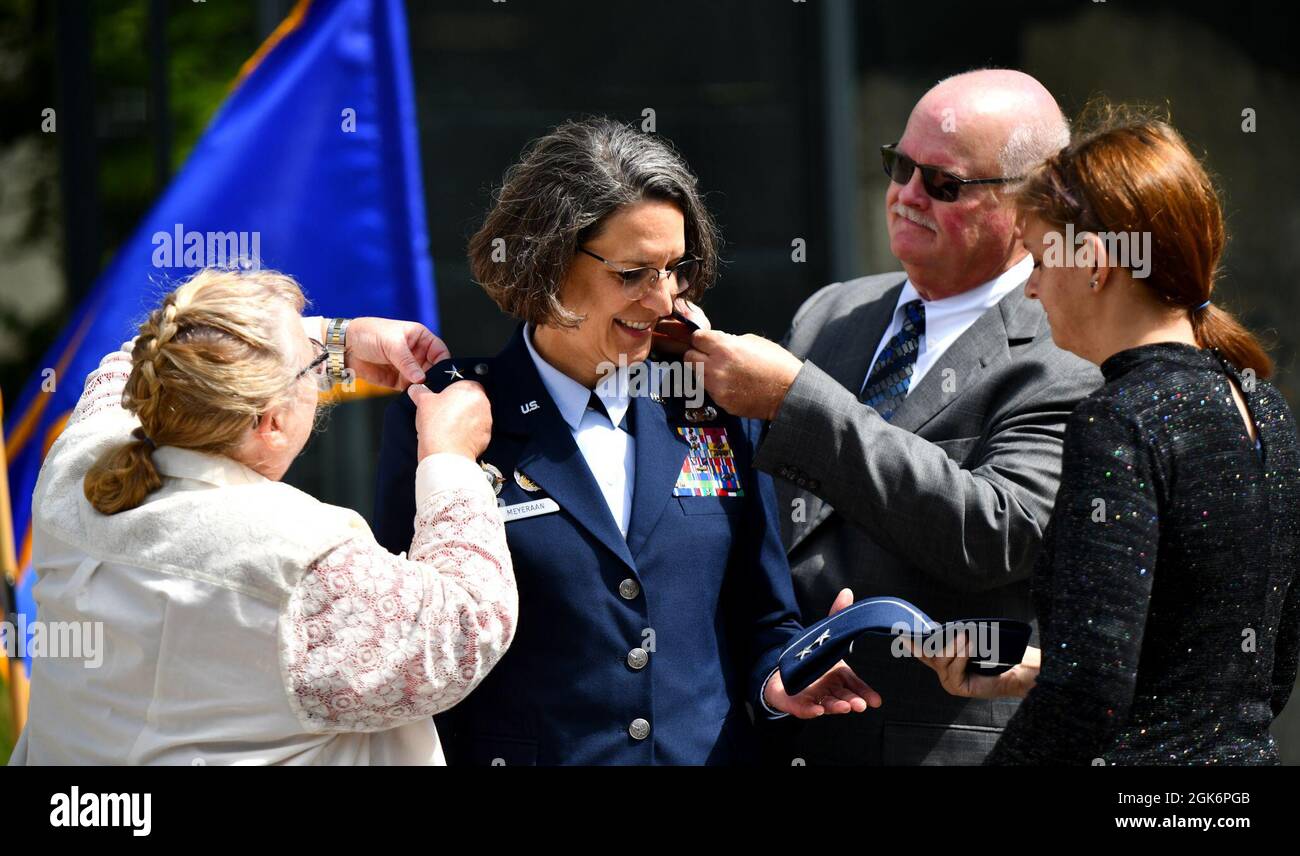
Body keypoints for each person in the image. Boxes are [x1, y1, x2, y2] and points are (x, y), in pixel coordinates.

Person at [373, 118, 874, 765]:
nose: (663, 298)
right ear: (547, 259)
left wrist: (784, 681)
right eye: (634, 273)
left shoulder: (711, 402)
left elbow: (761, 617)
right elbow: (409, 641)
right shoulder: (450, 412)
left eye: (677, 268)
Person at [680, 69, 1102, 765]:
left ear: (1033, 200)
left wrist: (795, 400)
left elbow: (995, 531)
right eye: (898, 165)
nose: (905, 195)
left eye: (942, 183)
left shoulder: (1063, 345)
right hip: (784, 727)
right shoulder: (833, 311)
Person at [914, 104, 1300, 765]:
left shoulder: (1119, 419)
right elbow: (1262, 668)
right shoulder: (1263, 407)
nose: (1032, 289)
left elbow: (1090, 692)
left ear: (1093, 263)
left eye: (1038, 260)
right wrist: (1044, 667)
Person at [10, 267, 517, 765]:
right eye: (308, 364)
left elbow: (134, 361)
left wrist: (339, 342)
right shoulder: (305, 560)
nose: (319, 366)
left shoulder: (78, 462)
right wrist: (449, 457)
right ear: (272, 423)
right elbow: (466, 627)